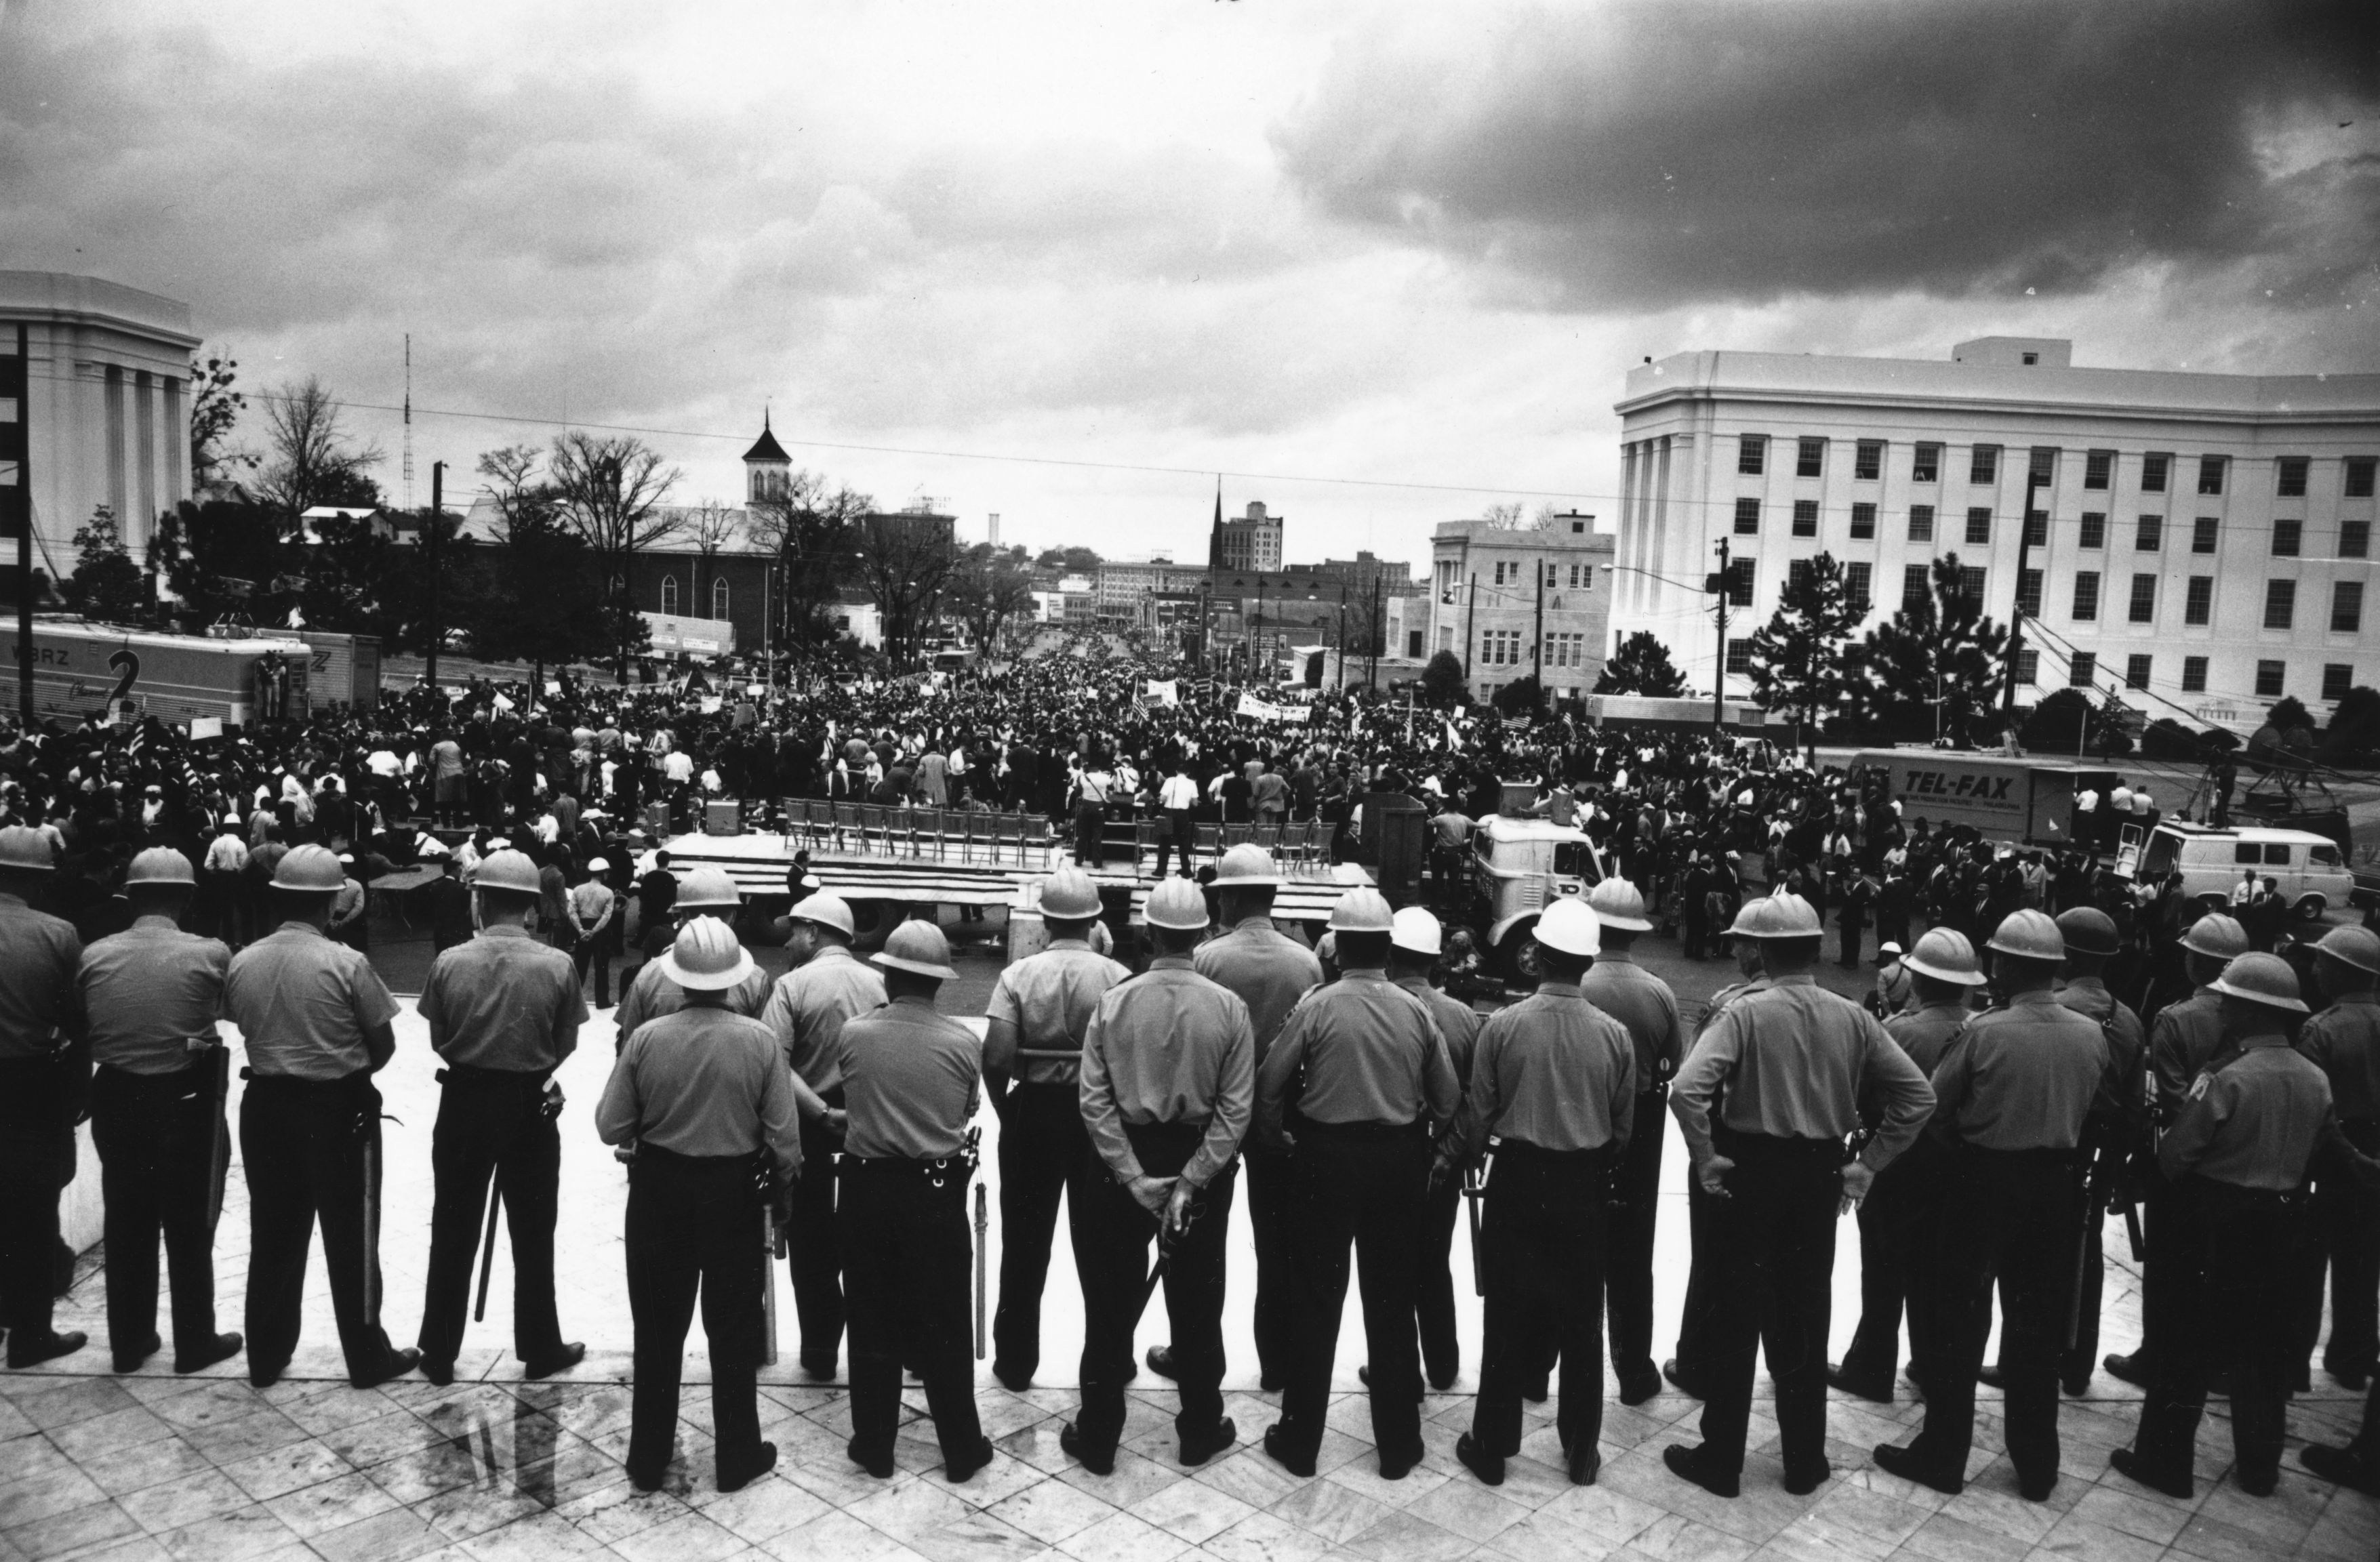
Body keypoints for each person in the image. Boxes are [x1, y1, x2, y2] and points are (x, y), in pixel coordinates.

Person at [1663, 892, 1934, 1499]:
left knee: (1735, 1316)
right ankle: (1804, 1460)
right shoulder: (1852, 1015)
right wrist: (1867, 1165)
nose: (1734, 949)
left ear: (1761, 949)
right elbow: (1917, 1098)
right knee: (1804, 1318)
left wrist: (1707, 1156)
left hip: (1752, 1174)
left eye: (1741, 941)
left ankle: (1722, 1458)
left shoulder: (1744, 1012)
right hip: (1818, 1178)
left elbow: (1686, 1089)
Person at [1873, 911, 2108, 1501]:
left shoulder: (1985, 1032)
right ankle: (2036, 1464)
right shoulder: (2089, 1033)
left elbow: (1934, 1107)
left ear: (2002, 965)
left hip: (1983, 1184)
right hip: (2054, 1187)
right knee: (2036, 1329)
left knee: (1958, 1321)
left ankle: (1943, 1454)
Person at [2110, 953, 2349, 1499]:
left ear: (2245, 1010)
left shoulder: (2225, 1077)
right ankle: (2260, 1466)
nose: (2221, 1010)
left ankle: (2164, 1461)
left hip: (2215, 1221)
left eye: (2228, 1002)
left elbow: (2177, 1154)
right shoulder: (2314, 1078)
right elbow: (2322, 1146)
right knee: (2262, 1349)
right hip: (2283, 1219)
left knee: (2183, 1344)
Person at [1254, 888, 1460, 1479]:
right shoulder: (1415, 1009)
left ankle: (1299, 1441)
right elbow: (1447, 1100)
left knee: (1316, 1299)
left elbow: (1270, 1083)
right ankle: (1397, 1445)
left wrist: (1276, 1138)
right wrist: (1437, 1154)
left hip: (1325, 1159)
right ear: (1388, 948)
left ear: (1338, 945)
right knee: (1390, 1304)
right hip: (1397, 1162)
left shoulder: (1318, 1005)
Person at [596, 918, 796, 1493]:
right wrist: (781, 1207)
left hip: (659, 1192)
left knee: (657, 1329)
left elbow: (611, 1125)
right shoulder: (758, 1041)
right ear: (735, 978)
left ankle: (649, 1455)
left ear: (677, 977)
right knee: (732, 1330)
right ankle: (736, 1454)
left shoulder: (646, 1038)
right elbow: (784, 1139)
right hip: (732, 1195)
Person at [1441, 899, 1634, 1488]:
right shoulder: (1614, 1036)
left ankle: (1494, 1445)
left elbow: (1479, 1114)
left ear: (1541, 957)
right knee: (1582, 1319)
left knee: (1505, 1312)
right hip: (1582, 1184)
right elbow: (1622, 1131)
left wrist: (1465, 1159)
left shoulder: (1502, 1026)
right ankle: (1580, 1449)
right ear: (1586, 964)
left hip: (1519, 1180)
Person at [1063, 878, 1253, 1473]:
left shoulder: (1115, 1002)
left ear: (1147, 931)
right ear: (1202, 934)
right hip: (1199, 1160)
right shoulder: (1228, 1008)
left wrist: (1132, 1177)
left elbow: (1093, 1101)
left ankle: (1098, 1435)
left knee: (1109, 1302)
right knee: (1197, 1301)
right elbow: (1235, 1109)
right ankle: (1198, 1428)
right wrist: (1191, 1181)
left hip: (1125, 1161)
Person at [224, 844, 418, 1389]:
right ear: (332, 900)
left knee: (274, 1234)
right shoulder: (346, 963)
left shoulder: (244, 960)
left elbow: (240, 1023)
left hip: (266, 1106)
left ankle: (266, 1354)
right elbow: (382, 1046)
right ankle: (365, 1355)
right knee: (351, 1235)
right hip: (338, 1108)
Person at [413, 848, 588, 1386]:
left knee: (452, 1225)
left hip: (464, 1100)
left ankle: (439, 1350)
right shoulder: (557, 964)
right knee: (534, 1231)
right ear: (532, 909)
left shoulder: (450, 960)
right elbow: (566, 1040)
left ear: (481, 899)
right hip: (528, 1103)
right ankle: (539, 1344)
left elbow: (439, 1037)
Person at [1149, 844, 1320, 1392]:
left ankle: (1193, 1352)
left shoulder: (1208, 958)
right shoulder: (1306, 961)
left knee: (1202, 1250)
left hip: (1213, 1118)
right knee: (1279, 1246)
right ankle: (1280, 1360)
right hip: (1280, 1117)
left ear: (1236, 895)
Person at [836, 919, 994, 1482]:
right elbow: (964, 1111)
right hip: (933, 1189)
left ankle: (875, 1443)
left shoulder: (853, 1033)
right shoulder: (961, 1043)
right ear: (939, 983)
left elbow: (850, 1095)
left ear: (889, 974)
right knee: (945, 1319)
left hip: (866, 1185)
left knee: (871, 1316)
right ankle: (960, 1445)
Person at [79, 847, 242, 1375]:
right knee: (189, 1223)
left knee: (127, 1220)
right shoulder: (211, 952)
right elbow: (232, 1011)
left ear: (131, 895)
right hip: (185, 1099)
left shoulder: (95, 954)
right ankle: (194, 1341)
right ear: (188, 897)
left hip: (117, 1095)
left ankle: (129, 1341)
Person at [982, 868, 1131, 1389]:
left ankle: (1016, 1361)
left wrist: (1007, 1111)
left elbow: (997, 1056)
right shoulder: (1116, 975)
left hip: (1035, 1109)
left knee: (1024, 1243)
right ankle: (1114, 1356)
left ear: (1044, 919)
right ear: (1094, 918)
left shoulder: (1019, 975)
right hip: (1097, 1116)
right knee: (1102, 1246)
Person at [1830, 927, 1984, 1403]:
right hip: (1953, 1167)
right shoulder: (1979, 1026)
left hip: (1896, 1163)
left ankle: (1871, 1366)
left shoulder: (1899, 1029)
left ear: (1916, 978)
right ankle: (1925, 1361)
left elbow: (1863, 1095)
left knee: (1882, 1270)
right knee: (1932, 1272)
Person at [2105, 911, 2248, 1389]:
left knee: (2168, 1270)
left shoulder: (2175, 1018)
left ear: (2197, 961)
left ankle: (2154, 1356)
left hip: (2183, 1158)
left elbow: (2173, 1103)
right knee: (2221, 1268)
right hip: (2237, 1161)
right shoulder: (2256, 1013)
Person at [757, 891, 884, 1381]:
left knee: (810, 1245)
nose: (788, 941)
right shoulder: (879, 983)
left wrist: (820, 1111)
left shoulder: (790, 987)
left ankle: (819, 1351)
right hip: (867, 1133)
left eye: (794, 931)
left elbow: (773, 1061)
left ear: (814, 932)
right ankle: (872, 1350)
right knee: (865, 1243)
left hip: (809, 1132)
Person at [1568, 878, 1682, 1409]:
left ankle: (1541, 1364)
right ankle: (1633, 1370)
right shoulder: (1657, 992)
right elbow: (1672, 1066)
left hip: (1580, 1125)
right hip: (1640, 1131)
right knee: (1633, 1257)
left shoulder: (1577, 982)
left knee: (1567, 1251)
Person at [1379, 907, 1483, 1393]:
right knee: (1433, 1262)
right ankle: (1441, 1364)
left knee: (1390, 1267)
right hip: (1442, 1163)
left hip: (1391, 1157)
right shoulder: (1461, 1016)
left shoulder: (1375, 1006)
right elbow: (1474, 1099)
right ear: (1435, 959)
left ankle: (1399, 1368)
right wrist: (1448, 1152)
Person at [0, 825, 87, 1370]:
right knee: (34, 1209)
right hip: (31, 1081)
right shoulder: (57, 934)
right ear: (37, 880)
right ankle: (30, 1333)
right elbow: (77, 1021)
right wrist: (80, 1090)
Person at [2051, 905, 2146, 1397]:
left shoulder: (2051, 1008)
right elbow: (2133, 1107)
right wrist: (2112, 1169)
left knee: (2034, 1260)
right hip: (2098, 1149)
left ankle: (2027, 1357)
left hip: (2054, 1144)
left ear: (2062, 953)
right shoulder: (2126, 1018)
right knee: (2085, 1257)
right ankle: (2076, 1361)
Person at [2293, 926, 2380, 1394]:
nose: (2314, 969)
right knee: (2363, 1261)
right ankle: (2353, 1356)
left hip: (2331, 1152)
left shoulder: (2321, 1028)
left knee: (2306, 1262)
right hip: (2374, 1156)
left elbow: (2313, 1107)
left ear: (2343, 970)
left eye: (2322, 962)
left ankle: (2293, 1360)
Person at [614, 869, 768, 1045]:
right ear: (733, 917)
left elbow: (628, 1046)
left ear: (684, 915)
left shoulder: (649, 975)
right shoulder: (756, 979)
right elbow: (765, 1048)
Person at [566, 856, 619, 1008]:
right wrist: (594, 931)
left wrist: (582, 930)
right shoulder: (608, 892)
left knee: (580, 966)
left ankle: (572, 1001)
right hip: (600, 931)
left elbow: (572, 912)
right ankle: (602, 1001)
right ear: (603, 873)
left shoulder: (578, 890)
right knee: (602, 966)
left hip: (582, 928)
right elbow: (607, 916)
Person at [1154, 762, 1200, 879]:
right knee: (1183, 844)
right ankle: (1186, 870)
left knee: (1165, 843)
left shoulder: (1170, 781)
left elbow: (1163, 798)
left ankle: (1161, 870)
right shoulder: (1192, 783)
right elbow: (1195, 803)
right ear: (1188, 773)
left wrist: (1160, 800)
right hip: (1183, 815)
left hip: (1169, 813)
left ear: (1176, 771)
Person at [1873, 941, 1914, 1016]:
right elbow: (1912, 996)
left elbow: (1882, 994)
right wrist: (1904, 1010)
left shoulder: (1884, 972)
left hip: (1886, 1008)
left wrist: (1888, 1012)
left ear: (1887, 956)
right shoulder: (1909, 974)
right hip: (1900, 1007)